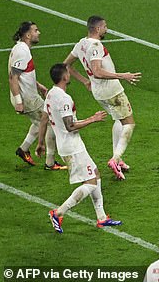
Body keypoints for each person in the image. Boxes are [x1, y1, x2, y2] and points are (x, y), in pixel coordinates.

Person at [36, 63, 122, 233]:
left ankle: (102, 218)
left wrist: (40, 143)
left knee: (95, 174)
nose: (70, 74)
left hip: (68, 145)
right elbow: (70, 125)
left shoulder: (50, 94)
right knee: (90, 182)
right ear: (65, 77)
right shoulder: (63, 98)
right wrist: (93, 119)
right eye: (68, 72)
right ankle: (58, 212)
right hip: (72, 146)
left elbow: (44, 119)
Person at [63, 15, 141, 180]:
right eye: (105, 26)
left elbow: (66, 65)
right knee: (129, 123)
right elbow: (97, 71)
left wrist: (85, 81)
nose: (107, 29)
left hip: (98, 93)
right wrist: (122, 75)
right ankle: (115, 159)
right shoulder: (96, 45)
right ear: (97, 29)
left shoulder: (81, 44)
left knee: (118, 120)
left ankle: (118, 160)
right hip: (112, 92)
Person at [8, 21, 64, 170]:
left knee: (38, 122)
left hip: (29, 95)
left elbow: (23, 74)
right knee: (50, 122)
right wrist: (19, 101)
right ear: (27, 35)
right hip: (27, 99)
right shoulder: (22, 51)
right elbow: (13, 77)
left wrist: (37, 85)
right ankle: (50, 162)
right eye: (35, 30)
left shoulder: (21, 48)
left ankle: (23, 149)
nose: (38, 33)